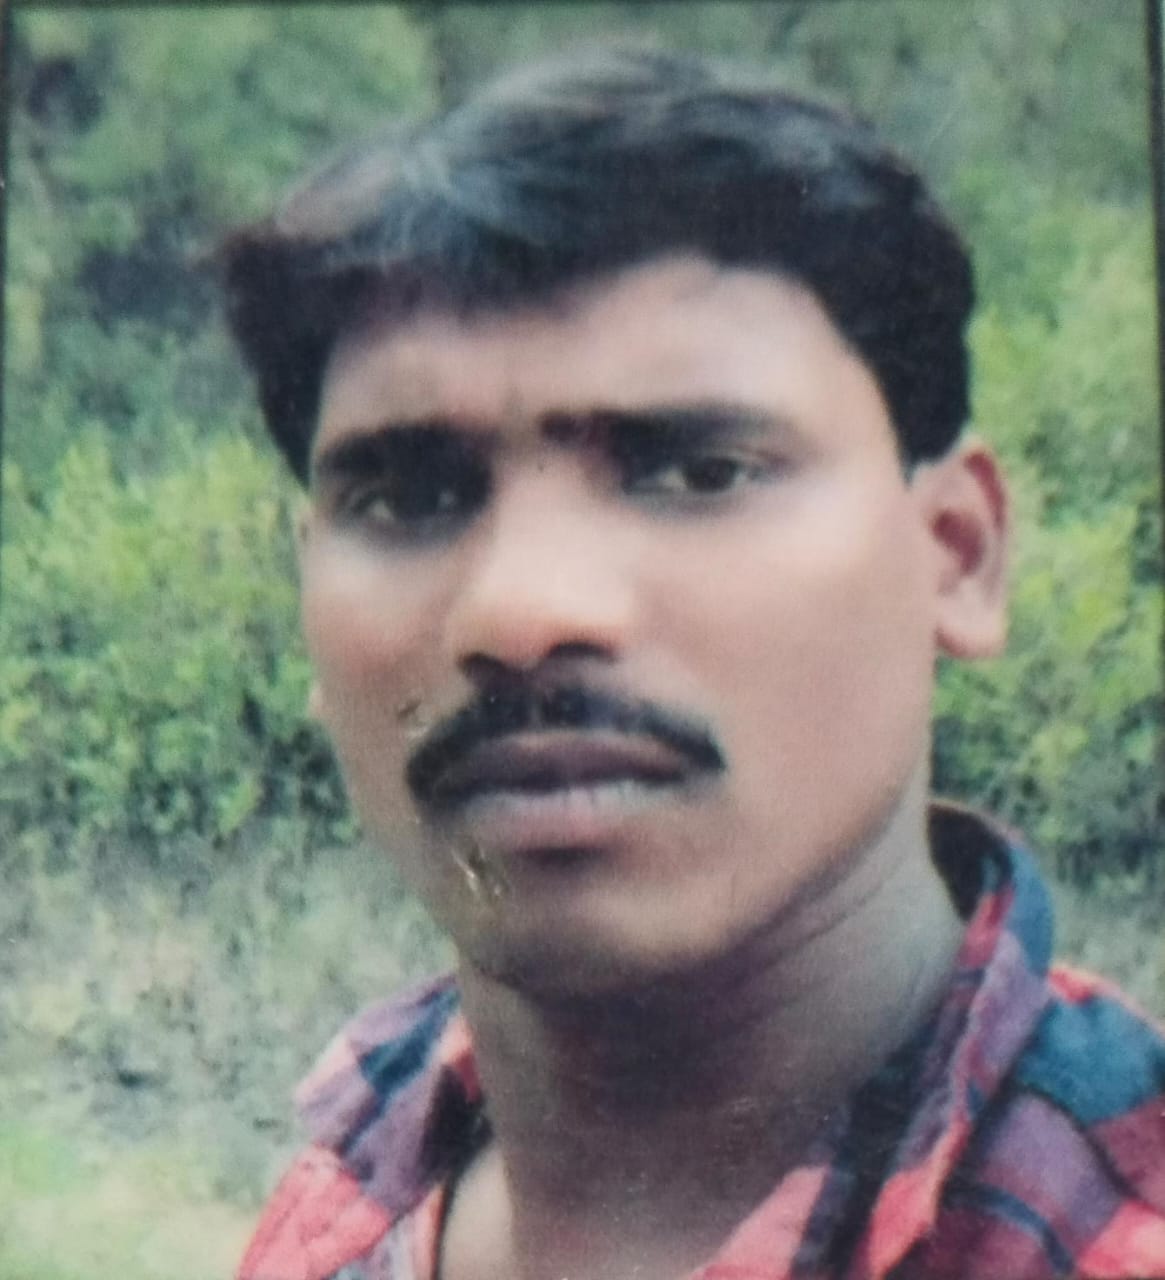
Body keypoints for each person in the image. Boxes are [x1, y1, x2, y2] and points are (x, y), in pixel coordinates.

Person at [218, 48, 1165, 1280]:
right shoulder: (352, 1181)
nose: (519, 611)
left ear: (956, 554)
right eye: (406, 497)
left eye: (696, 471)